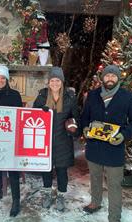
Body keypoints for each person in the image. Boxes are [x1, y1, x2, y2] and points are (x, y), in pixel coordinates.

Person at [81, 65, 132, 222]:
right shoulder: (93, 95)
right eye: (107, 75)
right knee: (95, 178)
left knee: (114, 185)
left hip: (114, 149)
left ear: (118, 79)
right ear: (102, 78)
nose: (110, 78)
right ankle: (96, 202)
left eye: (113, 76)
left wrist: (123, 135)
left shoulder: (128, 97)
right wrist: (86, 128)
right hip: (94, 147)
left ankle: (114, 218)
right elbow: (84, 117)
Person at [33, 67, 80, 212]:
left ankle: (61, 196)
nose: (55, 83)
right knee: (46, 170)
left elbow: (76, 118)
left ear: (62, 82)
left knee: (61, 171)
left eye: (57, 80)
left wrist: (73, 129)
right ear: (49, 82)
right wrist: (41, 112)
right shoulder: (42, 96)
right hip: (45, 141)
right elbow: (33, 116)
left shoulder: (70, 98)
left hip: (63, 141)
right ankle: (47, 194)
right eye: (52, 80)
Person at [0, 65, 23, 217]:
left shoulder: (15, 95)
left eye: (3, 78)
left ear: (7, 80)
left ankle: (16, 200)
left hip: (10, 137)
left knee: (12, 169)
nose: (0, 80)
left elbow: (20, 115)